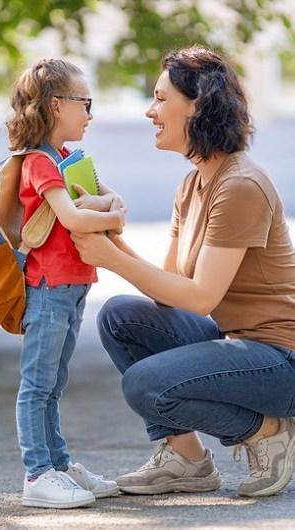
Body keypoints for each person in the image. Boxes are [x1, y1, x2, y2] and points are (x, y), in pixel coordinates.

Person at [71, 46, 295, 498]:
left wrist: (110, 257)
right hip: (244, 346)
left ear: (198, 104)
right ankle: (187, 460)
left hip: (282, 360)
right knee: (120, 317)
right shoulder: (192, 184)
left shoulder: (240, 185)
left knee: (145, 384)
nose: (149, 111)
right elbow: (170, 292)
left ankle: (266, 430)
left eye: (160, 98)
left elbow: (199, 299)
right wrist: (113, 234)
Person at [6, 58, 125, 508]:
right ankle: (38, 474)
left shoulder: (68, 160)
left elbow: (114, 198)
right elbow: (78, 215)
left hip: (73, 287)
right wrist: (110, 214)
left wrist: (108, 206)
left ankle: (59, 464)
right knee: (37, 384)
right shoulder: (39, 162)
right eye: (85, 104)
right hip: (50, 286)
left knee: (54, 382)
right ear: (57, 106)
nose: (90, 115)